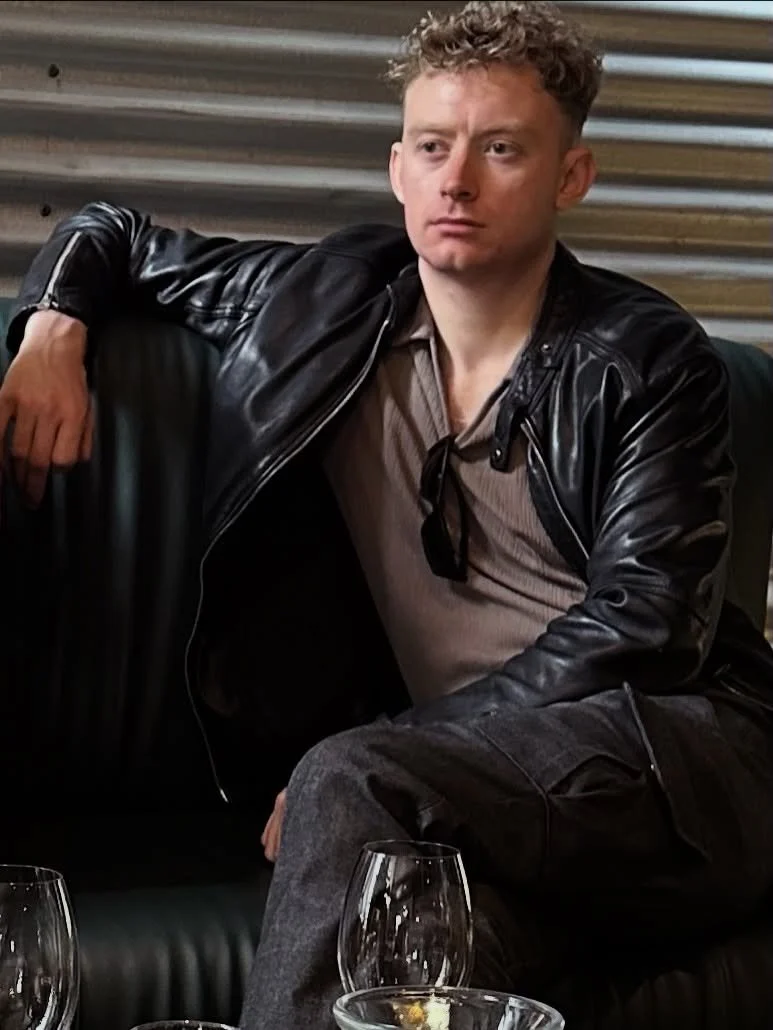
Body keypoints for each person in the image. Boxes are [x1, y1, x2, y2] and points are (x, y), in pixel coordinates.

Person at [2, 1, 773, 1027]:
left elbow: (648, 628)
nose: (456, 180)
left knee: (345, 777)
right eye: (432, 146)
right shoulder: (319, 304)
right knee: (424, 951)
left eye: (501, 149)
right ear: (397, 168)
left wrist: (396, 746)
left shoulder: (646, 356)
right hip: (470, 804)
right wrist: (51, 328)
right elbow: (112, 233)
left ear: (569, 176)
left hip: (682, 760)